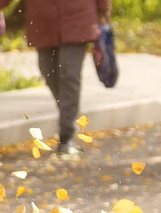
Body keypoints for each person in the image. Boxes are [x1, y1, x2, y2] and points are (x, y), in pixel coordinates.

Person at [24, 0, 111, 156]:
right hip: (43, 20)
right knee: (48, 71)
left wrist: (104, 7)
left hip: (78, 18)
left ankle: (67, 137)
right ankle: (68, 115)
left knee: (69, 75)